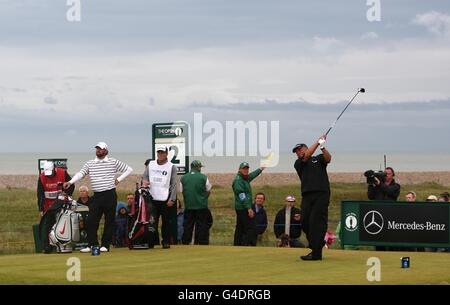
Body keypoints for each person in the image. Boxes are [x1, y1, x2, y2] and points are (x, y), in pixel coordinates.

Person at [64, 142, 133, 253]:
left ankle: (105, 245)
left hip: (109, 194)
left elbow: (129, 169)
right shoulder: (90, 163)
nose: (98, 150)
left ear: (106, 150)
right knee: (91, 220)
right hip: (97, 195)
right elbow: (81, 173)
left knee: (109, 221)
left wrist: (118, 180)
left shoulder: (113, 161)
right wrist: (70, 182)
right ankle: (92, 245)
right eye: (97, 149)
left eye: (100, 149)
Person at [293, 135, 331, 261]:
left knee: (317, 222)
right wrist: (318, 141)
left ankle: (316, 253)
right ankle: (317, 244)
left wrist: (322, 146)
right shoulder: (299, 163)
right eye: (296, 151)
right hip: (307, 195)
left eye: (300, 149)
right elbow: (307, 155)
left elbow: (328, 158)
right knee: (304, 222)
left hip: (322, 193)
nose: (298, 152)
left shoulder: (318, 159)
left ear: (306, 148)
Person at [142, 145, 177, 249]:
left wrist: (172, 198)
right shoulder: (151, 164)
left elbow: (174, 183)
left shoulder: (171, 166)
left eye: (162, 153)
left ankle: (165, 241)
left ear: (166, 154)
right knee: (152, 222)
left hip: (165, 198)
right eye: (159, 152)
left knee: (166, 222)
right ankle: (151, 242)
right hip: (152, 198)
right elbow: (145, 176)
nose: (160, 154)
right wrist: (145, 182)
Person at [37, 161, 74, 253]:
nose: (48, 176)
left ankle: (62, 245)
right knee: (46, 226)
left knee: (62, 226)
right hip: (48, 207)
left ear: (54, 169)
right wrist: (41, 209)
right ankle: (47, 247)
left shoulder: (62, 173)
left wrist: (67, 195)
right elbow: (40, 194)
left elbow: (71, 185)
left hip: (62, 204)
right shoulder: (42, 177)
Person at [232, 162, 265, 246]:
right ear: (239, 169)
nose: (246, 170)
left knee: (240, 227)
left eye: (247, 169)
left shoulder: (244, 178)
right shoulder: (238, 180)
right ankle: (245, 245)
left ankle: (237, 245)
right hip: (242, 207)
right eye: (244, 169)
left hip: (242, 207)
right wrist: (249, 208)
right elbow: (242, 196)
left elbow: (252, 175)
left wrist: (260, 169)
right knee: (249, 227)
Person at [180, 160, 212, 245]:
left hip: (189, 206)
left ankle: (186, 242)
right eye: (200, 167)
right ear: (198, 167)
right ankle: (202, 243)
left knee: (188, 226)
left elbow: (182, 191)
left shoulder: (183, 178)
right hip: (201, 206)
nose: (200, 168)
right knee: (202, 226)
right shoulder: (203, 177)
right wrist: (203, 198)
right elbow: (208, 190)